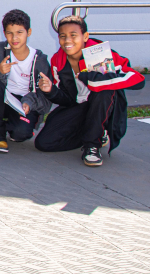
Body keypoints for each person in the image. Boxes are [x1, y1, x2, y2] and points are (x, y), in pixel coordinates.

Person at [35, 16, 145, 166]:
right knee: (44, 143)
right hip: (79, 107)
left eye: (73, 35)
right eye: (62, 36)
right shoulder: (57, 61)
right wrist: (51, 91)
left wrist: (94, 79)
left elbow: (138, 79)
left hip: (103, 105)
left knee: (103, 90)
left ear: (85, 36)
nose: (67, 40)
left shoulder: (101, 54)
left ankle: (92, 145)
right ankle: (94, 133)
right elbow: (67, 99)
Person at [0, 9, 51, 153]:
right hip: (3, 98)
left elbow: (45, 99)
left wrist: (29, 102)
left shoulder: (39, 60)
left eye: (20, 32)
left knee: (20, 134)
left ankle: (6, 122)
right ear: (4, 33)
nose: (14, 38)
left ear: (29, 32)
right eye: (9, 33)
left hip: (24, 103)